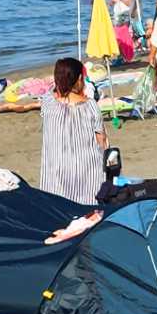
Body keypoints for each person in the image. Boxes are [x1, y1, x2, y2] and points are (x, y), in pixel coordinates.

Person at [39, 57, 107, 205]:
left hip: (55, 171)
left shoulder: (47, 102)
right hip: (88, 171)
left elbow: (54, 94)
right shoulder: (90, 106)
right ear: (80, 79)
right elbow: (102, 142)